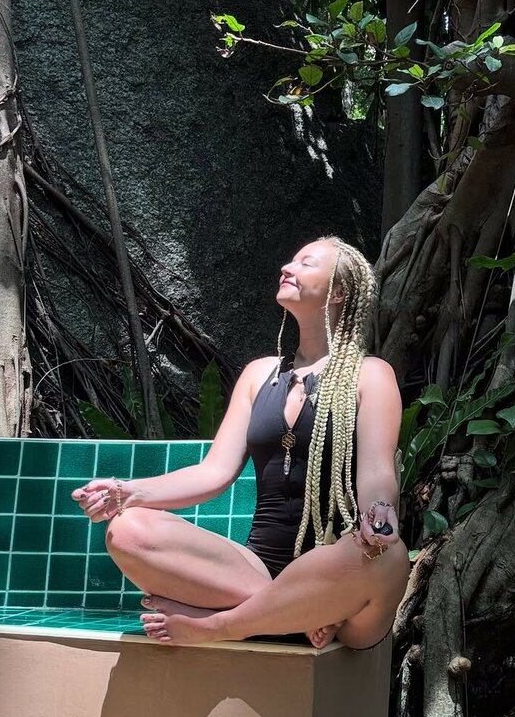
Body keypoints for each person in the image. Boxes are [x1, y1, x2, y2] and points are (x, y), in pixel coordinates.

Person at [71, 237, 409, 649]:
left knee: (388, 557)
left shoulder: (371, 374)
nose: (287, 267)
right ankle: (296, 614)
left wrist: (379, 513)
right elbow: (213, 472)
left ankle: (220, 625)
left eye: (306, 262)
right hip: (254, 572)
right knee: (127, 531)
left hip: (338, 567)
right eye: (291, 259)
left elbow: (376, 470)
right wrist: (128, 493)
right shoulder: (258, 375)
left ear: (339, 292)